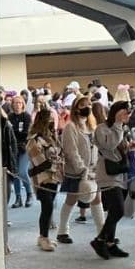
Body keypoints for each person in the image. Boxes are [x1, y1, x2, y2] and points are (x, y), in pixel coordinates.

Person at [55, 96, 100, 245]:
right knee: (72, 199)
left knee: (97, 199)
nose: (87, 107)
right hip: (76, 171)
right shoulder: (71, 127)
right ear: (76, 108)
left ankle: (103, 232)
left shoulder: (92, 127)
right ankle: (62, 230)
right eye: (83, 105)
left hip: (93, 171)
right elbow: (71, 151)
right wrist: (82, 169)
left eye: (89, 105)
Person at [91, 101, 133, 259]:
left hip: (121, 173)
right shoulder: (102, 128)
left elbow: (119, 147)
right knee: (118, 210)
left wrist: (129, 146)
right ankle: (100, 239)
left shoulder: (122, 128)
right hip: (107, 174)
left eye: (128, 113)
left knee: (114, 211)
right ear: (116, 112)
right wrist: (117, 124)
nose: (126, 116)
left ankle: (110, 243)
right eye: (124, 112)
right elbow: (109, 145)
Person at [26, 108, 62, 251]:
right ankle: (43, 238)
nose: (52, 123)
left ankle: (43, 236)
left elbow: (58, 155)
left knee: (49, 207)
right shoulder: (34, 140)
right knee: (47, 206)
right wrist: (54, 161)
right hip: (41, 178)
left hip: (53, 177)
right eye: (49, 120)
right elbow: (41, 162)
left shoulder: (52, 137)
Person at [8, 95, 34, 208]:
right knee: (15, 173)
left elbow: (26, 133)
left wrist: (16, 133)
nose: (17, 105)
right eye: (15, 103)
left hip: (24, 148)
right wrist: (16, 133)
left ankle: (29, 194)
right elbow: (9, 133)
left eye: (19, 103)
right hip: (13, 149)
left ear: (23, 104)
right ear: (12, 105)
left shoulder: (27, 116)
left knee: (22, 172)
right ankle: (18, 198)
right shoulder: (10, 117)